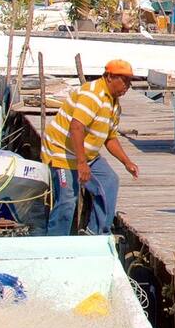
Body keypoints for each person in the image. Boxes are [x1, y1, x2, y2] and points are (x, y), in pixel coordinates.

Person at [43, 59, 142, 235]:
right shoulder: (92, 95)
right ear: (110, 77)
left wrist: (127, 162)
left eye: (129, 81)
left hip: (87, 154)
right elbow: (76, 126)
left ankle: (96, 232)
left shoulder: (114, 104)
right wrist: (82, 163)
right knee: (67, 199)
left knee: (110, 181)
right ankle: (55, 242)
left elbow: (110, 138)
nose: (127, 85)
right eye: (124, 80)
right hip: (62, 152)